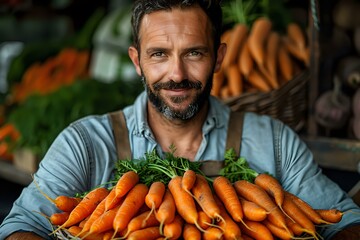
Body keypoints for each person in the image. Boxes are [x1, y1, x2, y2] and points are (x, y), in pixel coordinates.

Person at [1, 0, 360, 239]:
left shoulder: (272, 142)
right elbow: (23, 224)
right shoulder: (85, 142)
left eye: (193, 53)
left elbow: (346, 220)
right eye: (159, 54)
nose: (177, 73)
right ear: (137, 60)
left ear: (218, 58)